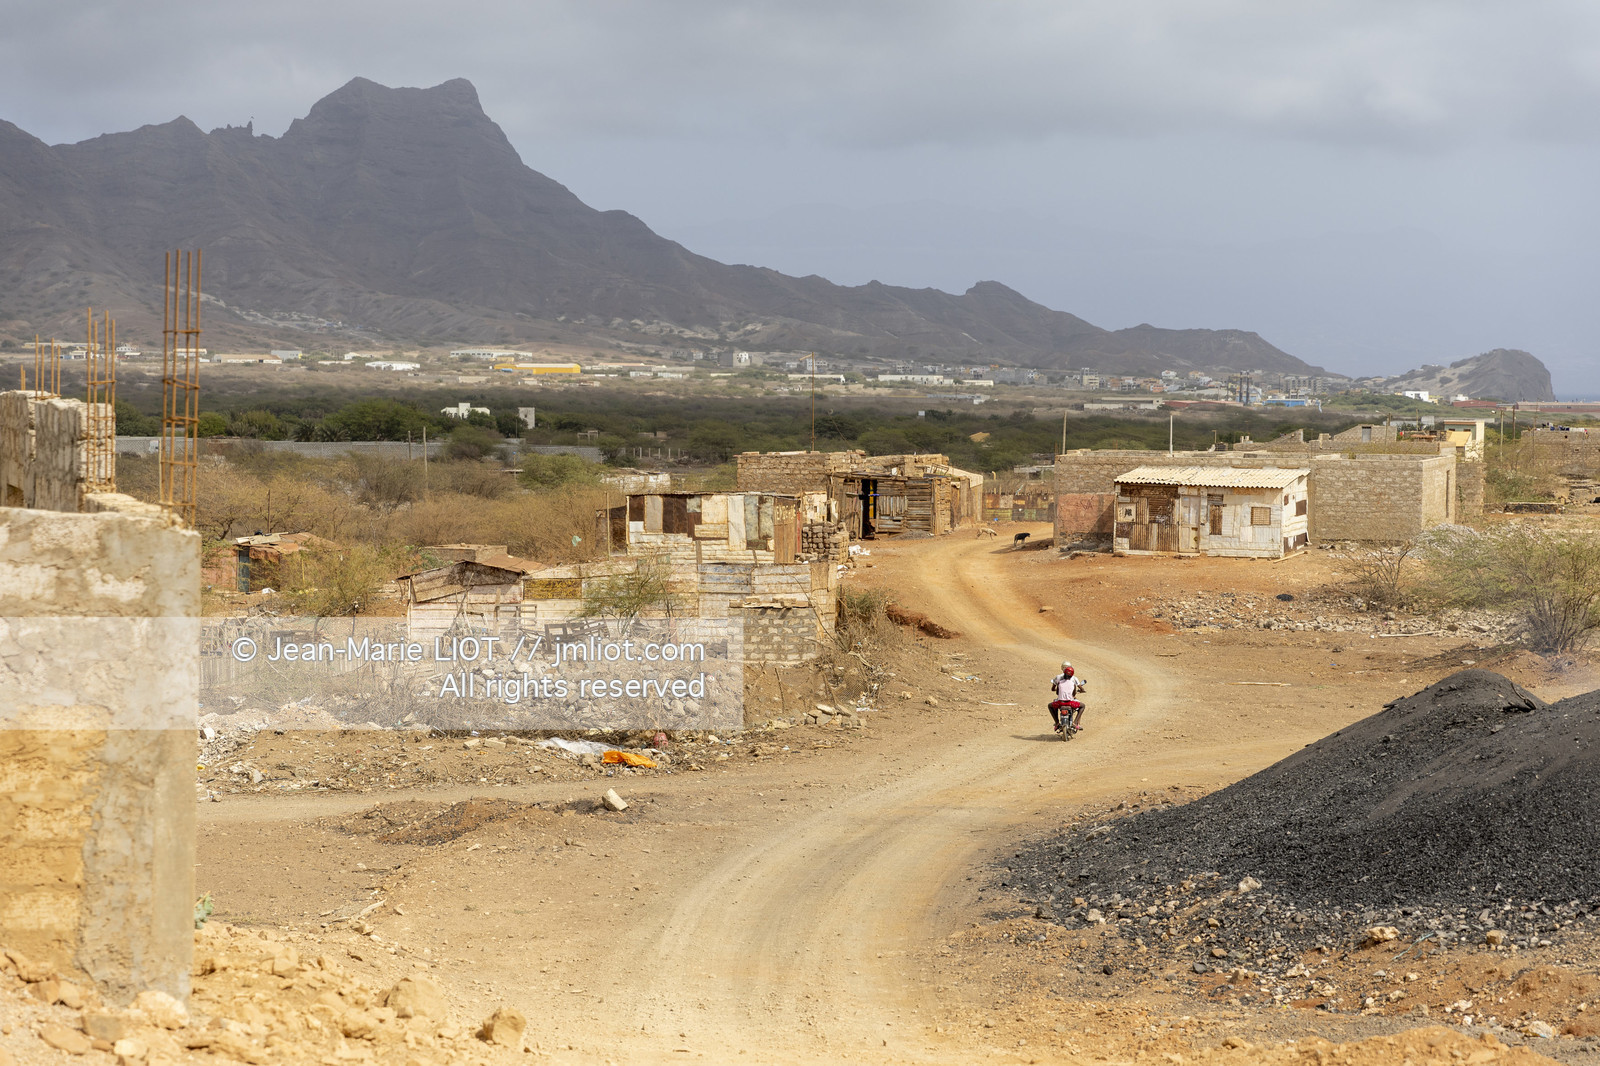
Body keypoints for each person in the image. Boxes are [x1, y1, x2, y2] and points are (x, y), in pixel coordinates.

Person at [1048, 661, 1087, 734]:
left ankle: (1056, 722)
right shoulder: (1073, 682)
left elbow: (1056, 692)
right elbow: (1074, 693)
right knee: (1082, 706)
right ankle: (1075, 723)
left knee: (1050, 706)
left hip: (1060, 703)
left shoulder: (1059, 681)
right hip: (1070, 703)